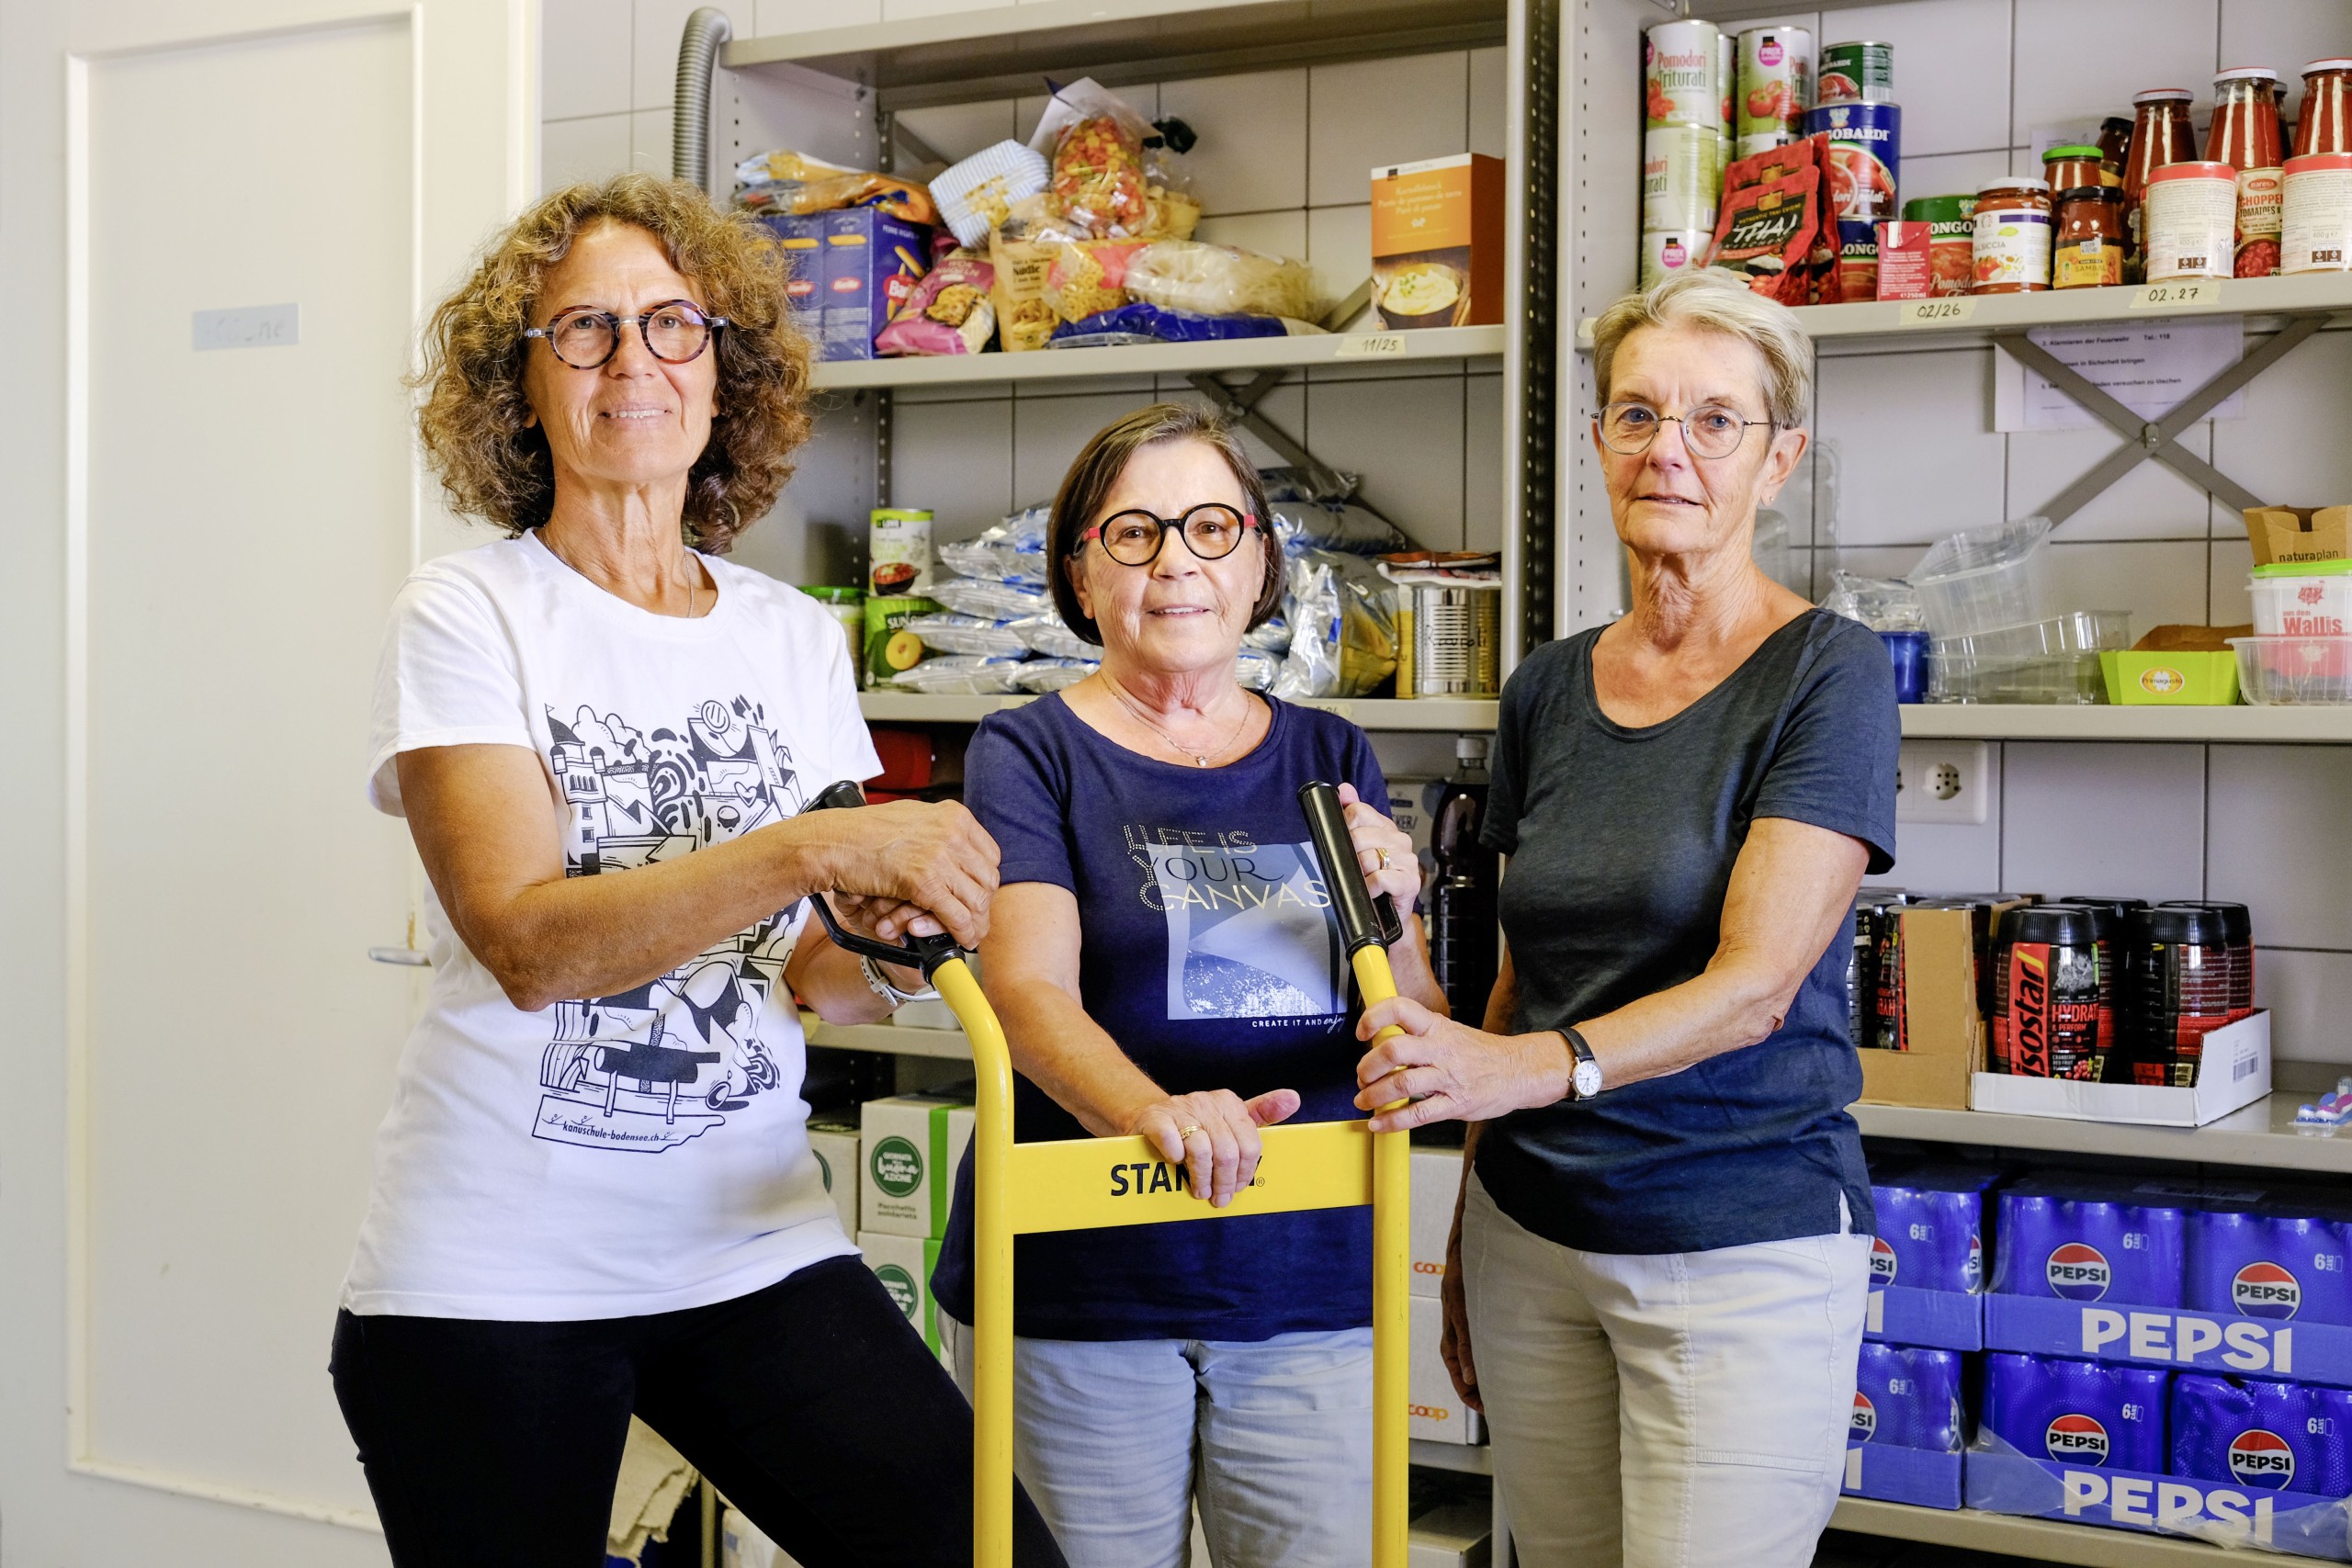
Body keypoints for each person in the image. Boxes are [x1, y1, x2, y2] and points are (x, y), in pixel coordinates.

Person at [332, 174, 1064, 1568]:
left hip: (751, 1242)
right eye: (584, 329)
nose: (634, 362)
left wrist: (896, 937)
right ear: (519, 385)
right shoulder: (467, 613)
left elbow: (816, 974)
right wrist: (812, 845)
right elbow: (528, 945)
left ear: (725, 372)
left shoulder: (789, 635)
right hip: (490, 1275)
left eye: (673, 325)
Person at [1350, 269, 1899, 1568]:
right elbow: (1516, 985)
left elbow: (1754, 988)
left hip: (1735, 1241)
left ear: (1778, 459)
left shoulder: (1827, 672)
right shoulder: (1546, 686)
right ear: (1598, 441)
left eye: (1716, 420)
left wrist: (1523, 1072)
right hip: (1532, 1240)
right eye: (1638, 414)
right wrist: (1468, 1228)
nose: (1670, 450)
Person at [926, 402, 1447, 1568]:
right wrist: (1158, 1115)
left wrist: (1400, 908)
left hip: (1309, 1282)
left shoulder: (1330, 754)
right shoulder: (1030, 752)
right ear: (1081, 574)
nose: (1176, 562)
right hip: (1084, 1286)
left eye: (1211, 528)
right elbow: (1028, 996)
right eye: (1134, 533)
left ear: (1259, 562)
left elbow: (1416, 1033)